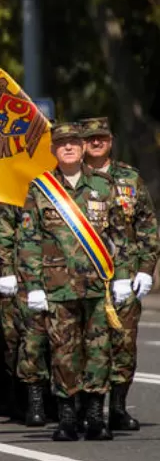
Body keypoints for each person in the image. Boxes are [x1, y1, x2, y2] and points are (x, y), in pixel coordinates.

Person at [18, 122, 134, 442]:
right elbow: (28, 238)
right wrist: (34, 285)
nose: (68, 147)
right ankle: (67, 417)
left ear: (83, 149)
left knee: (99, 351)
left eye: (74, 143)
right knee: (63, 352)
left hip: (98, 286)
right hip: (57, 287)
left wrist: (123, 277)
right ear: (54, 150)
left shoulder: (103, 185)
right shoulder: (41, 189)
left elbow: (120, 236)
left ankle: (96, 416)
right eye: (62, 143)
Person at [80, 116, 158, 431]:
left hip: (125, 275)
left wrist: (145, 270)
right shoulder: (70, 181)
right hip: (85, 276)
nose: (96, 142)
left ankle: (118, 408)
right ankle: (90, 410)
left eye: (101, 137)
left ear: (110, 140)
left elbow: (147, 227)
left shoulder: (129, 178)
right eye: (90, 138)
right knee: (89, 344)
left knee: (124, 343)